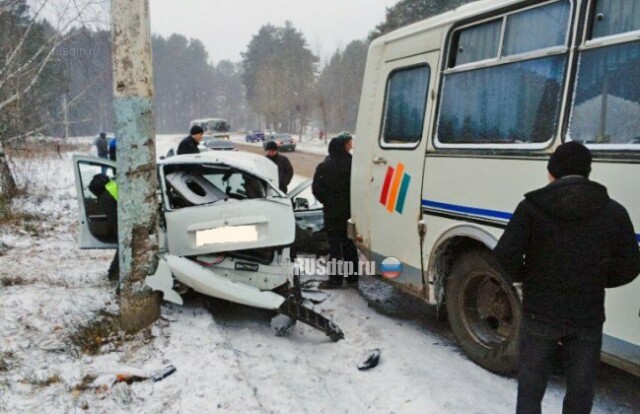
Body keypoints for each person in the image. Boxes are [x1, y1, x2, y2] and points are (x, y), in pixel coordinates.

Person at [493, 141, 640, 414]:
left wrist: (528, 277)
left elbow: (504, 255)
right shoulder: (614, 212)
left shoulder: (531, 207)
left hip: (540, 313)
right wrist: (596, 278)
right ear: (587, 173)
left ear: (552, 173)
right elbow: (631, 265)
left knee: (530, 389)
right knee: (581, 393)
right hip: (587, 316)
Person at [312, 132, 359, 288]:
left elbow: (316, 189)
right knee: (349, 246)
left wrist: (328, 201)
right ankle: (352, 278)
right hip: (349, 213)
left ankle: (336, 279)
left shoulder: (324, 166)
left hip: (331, 214)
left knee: (335, 248)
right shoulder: (354, 165)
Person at [89, 173, 119, 281]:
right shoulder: (112, 187)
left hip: (110, 206)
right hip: (113, 208)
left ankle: (114, 273)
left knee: (123, 241)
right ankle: (114, 273)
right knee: (124, 241)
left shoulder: (110, 188)